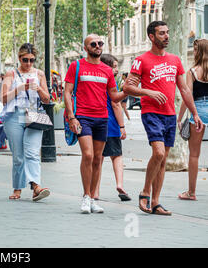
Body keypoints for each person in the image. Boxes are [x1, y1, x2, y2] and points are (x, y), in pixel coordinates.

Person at [123, 21, 203, 216]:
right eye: (161, 33)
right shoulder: (141, 60)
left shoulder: (175, 60)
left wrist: (194, 113)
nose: (166, 36)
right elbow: (127, 87)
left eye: (167, 32)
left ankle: (156, 202)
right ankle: (145, 192)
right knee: (158, 153)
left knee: (163, 159)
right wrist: (148, 92)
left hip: (169, 114)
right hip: (151, 113)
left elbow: (184, 89)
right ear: (151, 36)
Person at [63, 34, 127, 214]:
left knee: (98, 159)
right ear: (86, 47)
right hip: (83, 117)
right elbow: (67, 92)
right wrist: (71, 116)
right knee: (89, 155)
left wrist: (127, 91)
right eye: (93, 44)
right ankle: (85, 196)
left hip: (102, 118)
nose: (98, 46)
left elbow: (114, 97)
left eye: (100, 43)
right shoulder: (76, 66)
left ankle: (92, 198)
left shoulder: (107, 70)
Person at [0, 43, 51, 202]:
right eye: (25, 60)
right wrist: (21, 87)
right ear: (19, 58)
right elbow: (3, 98)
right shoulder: (11, 74)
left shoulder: (40, 74)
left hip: (33, 115)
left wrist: (38, 89)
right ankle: (17, 188)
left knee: (33, 152)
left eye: (31, 60)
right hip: (14, 116)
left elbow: (47, 99)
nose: (28, 63)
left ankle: (36, 187)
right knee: (19, 156)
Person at [95, 53, 130, 202]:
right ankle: (120, 184)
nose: (116, 70)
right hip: (111, 124)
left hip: (96, 123)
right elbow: (116, 104)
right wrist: (122, 126)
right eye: (114, 67)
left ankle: (95, 191)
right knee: (117, 156)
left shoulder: (96, 81)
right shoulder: (111, 83)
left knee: (98, 158)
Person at [176, 38, 208, 201]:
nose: (193, 52)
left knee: (194, 155)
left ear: (199, 51)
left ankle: (191, 192)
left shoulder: (192, 72)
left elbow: (186, 97)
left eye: (195, 49)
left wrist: (179, 118)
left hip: (198, 112)